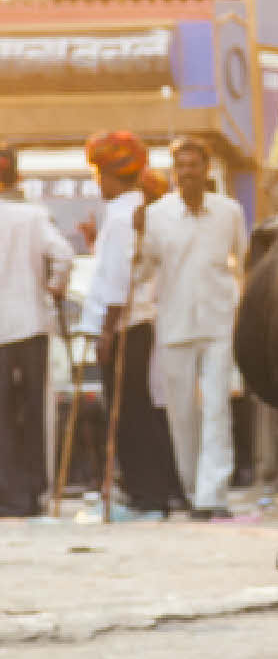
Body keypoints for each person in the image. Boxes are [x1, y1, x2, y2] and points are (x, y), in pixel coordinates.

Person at [138, 138, 248, 518]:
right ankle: (191, 489)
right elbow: (142, 271)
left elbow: (244, 261)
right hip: (174, 324)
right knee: (181, 415)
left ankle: (211, 495)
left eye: (193, 165)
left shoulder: (229, 211)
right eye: (180, 166)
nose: (187, 173)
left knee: (218, 409)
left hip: (218, 321)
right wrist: (137, 241)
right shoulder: (155, 215)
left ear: (207, 169)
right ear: (173, 172)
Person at [77, 131, 184, 515]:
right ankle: (153, 489)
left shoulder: (125, 215)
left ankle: (148, 493)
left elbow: (121, 280)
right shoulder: (130, 211)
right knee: (136, 410)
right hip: (132, 324)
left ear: (109, 174)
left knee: (129, 414)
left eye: (98, 175)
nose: (97, 183)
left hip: (125, 327)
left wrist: (107, 331)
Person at [0, 147, 75, 516]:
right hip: (30, 325)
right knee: (32, 411)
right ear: (15, 176)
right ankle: (32, 493)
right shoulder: (33, 216)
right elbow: (62, 254)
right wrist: (55, 286)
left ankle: (7, 493)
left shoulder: (30, 215)